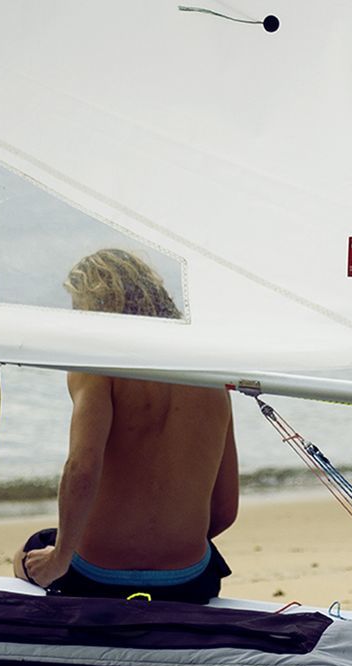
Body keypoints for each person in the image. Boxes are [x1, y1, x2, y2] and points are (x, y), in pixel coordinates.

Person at [14, 249, 238, 603]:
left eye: (79, 308)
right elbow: (225, 511)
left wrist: (61, 557)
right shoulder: (210, 372)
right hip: (189, 583)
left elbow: (82, 467)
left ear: (96, 307)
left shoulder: (97, 363)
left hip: (97, 580)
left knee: (32, 553)